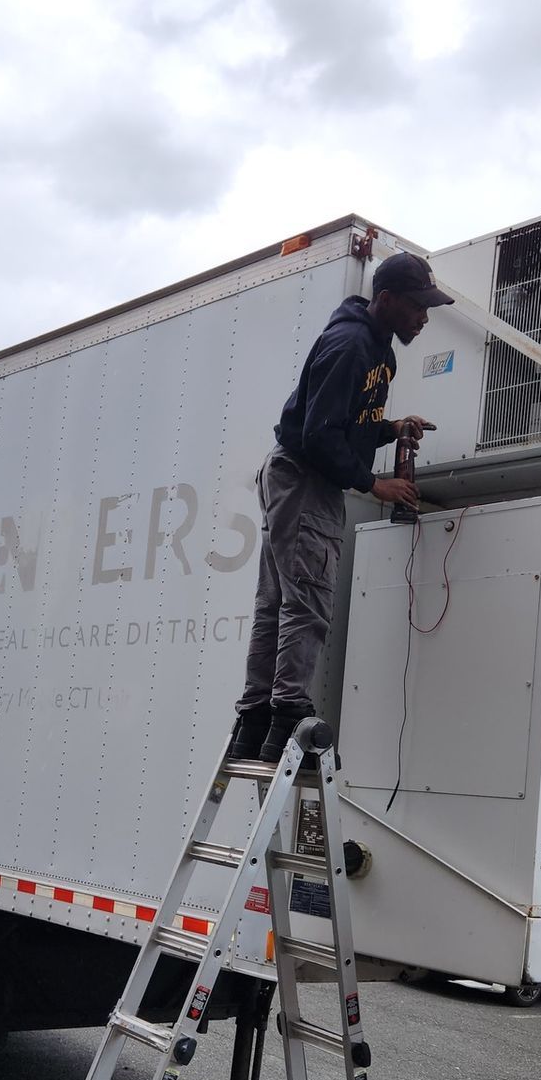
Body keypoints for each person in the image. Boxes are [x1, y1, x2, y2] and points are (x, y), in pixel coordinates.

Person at [229, 250, 454, 763]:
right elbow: (318, 435)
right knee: (305, 603)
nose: (424, 316)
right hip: (306, 480)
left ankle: (256, 718)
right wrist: (374, 485)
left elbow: (342, 424)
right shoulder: (350, 345)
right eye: (418, 305)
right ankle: (286, 712)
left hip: (298, 478)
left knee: (279, 603)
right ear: (388, 299)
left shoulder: (377, 349)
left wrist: (390, 429)